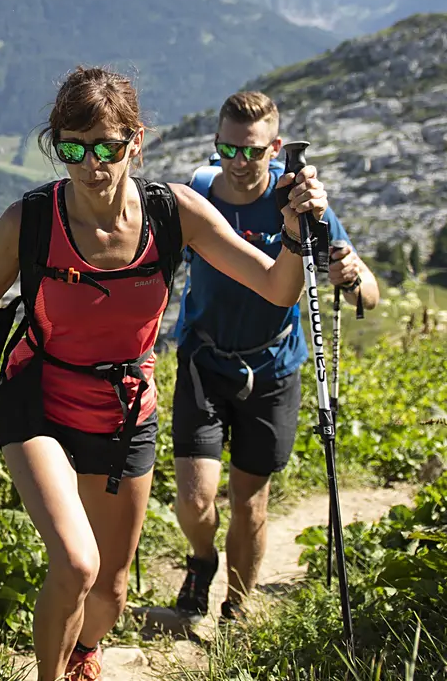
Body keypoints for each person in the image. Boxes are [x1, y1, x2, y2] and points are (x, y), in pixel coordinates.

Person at [0, 68, 332, 681]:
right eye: (72, 148)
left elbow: (277, 286)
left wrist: (293, 231)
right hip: (40, 397)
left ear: (135, 142)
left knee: (110, 592)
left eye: (105, 147)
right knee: (76, 564)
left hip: (126, 409)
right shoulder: (31, 221)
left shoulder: (173, 213)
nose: (90, 164)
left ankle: (83, 651)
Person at [167, 91, 380, 628]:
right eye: (228, 149)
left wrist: (350, 276)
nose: (239, 163)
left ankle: (237, 607)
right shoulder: (197, 192)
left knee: (250, 501)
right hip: (204, 360)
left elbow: (369, 295)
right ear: (216, 144)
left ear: (277, 148)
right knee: (194, 500)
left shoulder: (304, 207)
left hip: (274, 368)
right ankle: (201, 558)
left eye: (254, 152)